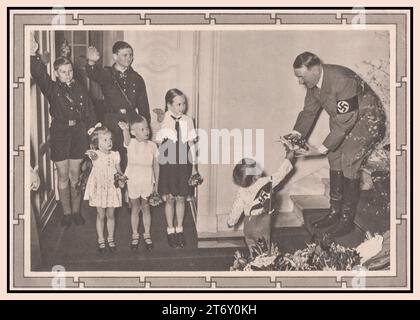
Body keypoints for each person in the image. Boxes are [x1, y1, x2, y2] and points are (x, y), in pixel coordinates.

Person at [286, 51, 386, 237]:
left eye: (301, 76)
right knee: (334, 156)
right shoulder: (314, 83)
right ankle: (334, 212)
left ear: (315, 70)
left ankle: (346, 220)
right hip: (345, 119)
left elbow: (346, 121)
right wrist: (295, 136)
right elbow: (308, 112)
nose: (300, 81)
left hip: (367, 119)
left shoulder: (342, 80)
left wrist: (319, 149)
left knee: (348, 159)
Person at [30, 34, 96, 228]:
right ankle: (66, 213)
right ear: (56, 73)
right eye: (63, 72)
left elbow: (90, 110)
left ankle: (76, 212)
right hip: (60, 133)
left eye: (69, 71)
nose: (67, 74)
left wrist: (92, 129)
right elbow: (39, 73)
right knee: (62, 175)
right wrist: (33, 53)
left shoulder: (80, 88)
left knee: (75, 175)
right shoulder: (52, 89)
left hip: (78, 133)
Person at [86, 42, 151, 171]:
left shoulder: (137, 78)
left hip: (131, 120)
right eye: (125, 55)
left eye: (131, 55)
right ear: (115, 56)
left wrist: (144, 126)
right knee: (112, 157)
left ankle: (129, 189)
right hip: (111, 120)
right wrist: (91, 62)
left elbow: (144, 105)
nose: (129, 58)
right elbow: (92, 73)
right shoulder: (106, 74)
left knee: (130, 157)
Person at [227, 147, 295, 251]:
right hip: (262, 222)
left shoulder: (241, 191)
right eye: (255, 165)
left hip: (248, 223)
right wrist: (288, 159)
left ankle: (252, 262)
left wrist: (231, 222)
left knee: (251, 247)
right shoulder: (265, 182)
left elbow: (237, 208)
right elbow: (280, 174)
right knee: (264, 249)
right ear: (256, 176)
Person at [156, 89, 198, 248]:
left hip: (184, 164)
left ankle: (179, 229)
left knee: (181, 197)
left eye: (184, 103)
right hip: (169, 164)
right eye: (178, 104)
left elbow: (191, 145)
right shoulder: (164, 119)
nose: (182, 107)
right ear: (169, 105)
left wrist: (193, 167)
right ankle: (170, 230)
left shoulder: (188, 120)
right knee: (170, 198)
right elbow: (159, 144)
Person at [118, 116, 160, 251]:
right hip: (133, 180)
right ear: (133, 132)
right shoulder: (131, 143)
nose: (146, 131)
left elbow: (156, 166)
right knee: (135, 208)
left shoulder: (153, 146)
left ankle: (147, 233)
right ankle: (135, 234)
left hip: (147, 180)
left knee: (146, 207)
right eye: (142, 129)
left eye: (147, 127)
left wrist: (156, 184)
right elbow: (126, 139)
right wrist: (125, 129)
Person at [83, 124, 123, 253]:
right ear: (96, 143)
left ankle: (110, 238)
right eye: (105, 140)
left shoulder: (115, 155)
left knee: (111, 215)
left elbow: (119, 171)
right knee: (100, 215)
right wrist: (92, 140)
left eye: (110, 139)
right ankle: (101, 239)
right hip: (99, 188)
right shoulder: (95, 154)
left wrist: (122, 179)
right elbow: (92, 156)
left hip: (111, 187)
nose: (109, 142)